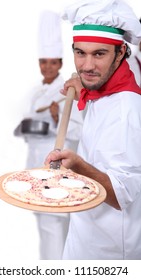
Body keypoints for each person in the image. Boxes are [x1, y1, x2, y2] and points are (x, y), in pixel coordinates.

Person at [45, 0, 141, 260]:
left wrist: (78, 166)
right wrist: (85, 88)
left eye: (99, 54)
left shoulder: (126, 111)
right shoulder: (105, 89)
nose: (86, 66)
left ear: (120, 53)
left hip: (109, 252)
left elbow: (121, 196)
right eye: (80, 53)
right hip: (85, 235)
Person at [14, 10, 83, 260]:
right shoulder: (36, 93)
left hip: (55, 174)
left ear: (61, 64)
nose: (47, 67)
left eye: (53, 62)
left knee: (55, 231)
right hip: (35, 171)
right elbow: (27, 126)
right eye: (43, 61)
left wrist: (55, 117)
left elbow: (78, 131)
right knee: (46, 232)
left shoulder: (69, 91)